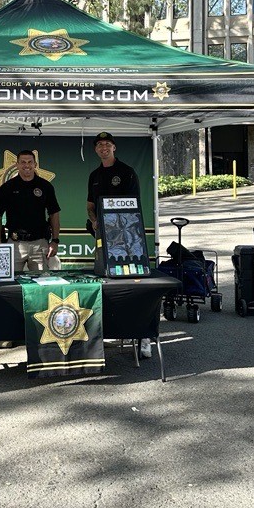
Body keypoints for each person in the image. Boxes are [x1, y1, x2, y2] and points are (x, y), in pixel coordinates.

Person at [86, 132, 150, 356]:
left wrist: (115, 224)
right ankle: (111, 330)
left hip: (127, 241)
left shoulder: (126, 172)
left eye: (107, 144)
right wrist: (94, 220)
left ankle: (143, 337)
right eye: (100, 145)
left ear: (114, 148)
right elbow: (90, 205)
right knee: (106, 284)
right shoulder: (94, 175)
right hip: (103, 239)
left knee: (133, 286)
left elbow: (133, 207)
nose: (104, 148)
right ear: (96, 150)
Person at [0, 150, 61, 272]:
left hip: (39, 244)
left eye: (30, 162)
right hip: (14, 244)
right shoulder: (7, 188)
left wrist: (55, 240)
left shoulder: (45, 186)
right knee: (9, 283)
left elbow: (54, 213)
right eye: (23, 162)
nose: (26, 165)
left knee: (41, 283)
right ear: (17, 165)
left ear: (35, 164)